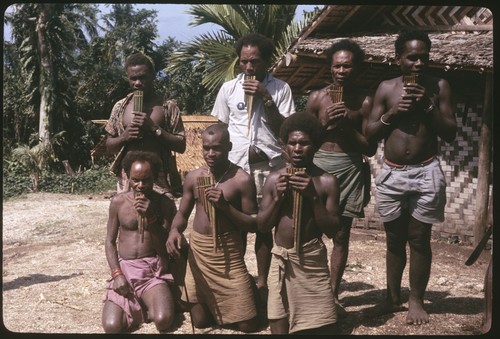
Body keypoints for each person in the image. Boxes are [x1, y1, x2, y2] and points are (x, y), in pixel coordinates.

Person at [364, 30, 457, 325]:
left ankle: (415, 300)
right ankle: (392, 297)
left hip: (425, 172)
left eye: (423, 58)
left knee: (419, 239)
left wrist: (428, 106)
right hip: (392, 172)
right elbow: (369, 133)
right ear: (398, 59)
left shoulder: (439, 86)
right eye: (412, 58)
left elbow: (451, 132)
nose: (418, 63)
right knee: (394, 239)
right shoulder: (386, 88)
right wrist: (392, 113)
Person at [211, 33, 296, 303]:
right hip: (236, 168)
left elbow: (286, 131)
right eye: (244, 62)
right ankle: (236, 281)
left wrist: (266, 98)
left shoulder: (281, 89)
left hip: (268, 166)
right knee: (234, 222)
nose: (249, 68)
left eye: (255, 62)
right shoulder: (228, 89)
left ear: (266, 61)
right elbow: (220, 129)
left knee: (264, 226)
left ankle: (263, 282)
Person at [306, 39, 377, 317]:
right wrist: (325, 124)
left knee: (340, 233)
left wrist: (347, 125)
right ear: (330, 68)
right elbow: (305, 141)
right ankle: (311, 289)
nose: (342, 71)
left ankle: (333, 294)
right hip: (320, 164)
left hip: (349, 166)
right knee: (310, 229)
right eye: (337, 65)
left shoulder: (365, 101)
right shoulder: (316, 98)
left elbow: (369, 147)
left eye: (348, 66)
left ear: (356, 68)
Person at [166, 123, 259, 333]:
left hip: (228, 254)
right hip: (199, 252)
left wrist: (225, 207)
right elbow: (182, 214)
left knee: (248, 325)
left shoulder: (241, 179)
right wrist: (174, 231)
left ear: (229, 147)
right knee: (200, 321)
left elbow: (254, 224)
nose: (210, 153)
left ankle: (249, 289)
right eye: (206, 148)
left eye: (216, 148)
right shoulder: (193, 177)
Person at [257, 112, 341, 334]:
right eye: (292, 143)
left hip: (311, 260)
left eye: (304, 143)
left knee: (322, 331)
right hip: (282, 258)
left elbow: (332, 230)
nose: (297, 148)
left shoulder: (327, 182)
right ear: (285, 145)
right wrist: (277, 199)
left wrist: (312, 197)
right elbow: (263, 226)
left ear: (314, 146)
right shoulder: (275, 178)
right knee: (280, 330)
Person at [102, 150, 178, 333]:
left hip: (152, 271)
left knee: (163, 321)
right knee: (112, 327)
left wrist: (151, 218)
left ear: (154, 178)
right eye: (135, 180)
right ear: (127, 177)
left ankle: (151, 300)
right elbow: (110, 242)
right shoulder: (118, 202)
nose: (141, 185)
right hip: (125, 270)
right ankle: (142, 304)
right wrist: (117, 274)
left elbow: (164, 249)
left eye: (147, 180)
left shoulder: (164, 204)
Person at [105, 52, 186, 197]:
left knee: (161, 217)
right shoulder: (120, 107)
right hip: (128, 176)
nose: (137, 83)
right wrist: (124, 137)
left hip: (158, 176)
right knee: (128, 217)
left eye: (142, 77)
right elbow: (109, 145)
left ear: (153, 76)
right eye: (133, 78)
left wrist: (154, 128)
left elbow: (181, 145)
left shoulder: (168, 107)